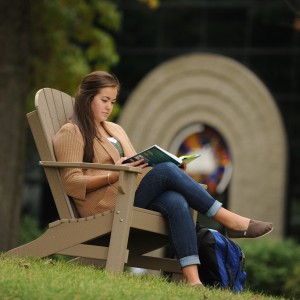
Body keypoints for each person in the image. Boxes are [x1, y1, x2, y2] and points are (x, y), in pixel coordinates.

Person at [53, 71, 273, 287]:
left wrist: (156, 163)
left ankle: (193, 281)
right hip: (104, 207)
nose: (109, 107)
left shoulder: (114, 129)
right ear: (87, 97)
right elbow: (71, 183)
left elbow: (134, 165)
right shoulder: (72, 132)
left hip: (128, 193)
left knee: (175, 200)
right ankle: (230, 220)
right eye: (104, 100)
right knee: (167, 171)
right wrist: (114, 173)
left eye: (113, 101)